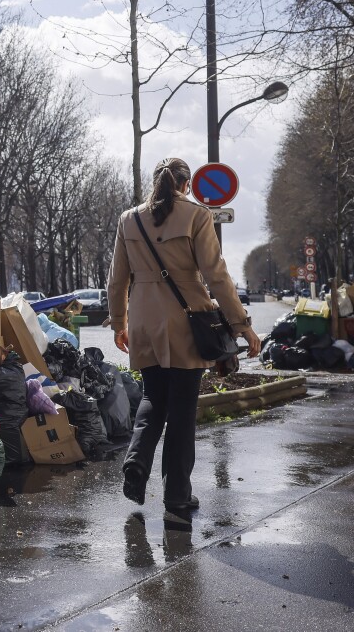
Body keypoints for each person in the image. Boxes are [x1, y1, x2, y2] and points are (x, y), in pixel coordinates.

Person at [107, 157, 260, 512]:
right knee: (182, 408)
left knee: (153, 396)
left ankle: (137, 460)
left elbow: (117, 278)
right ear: (186, 184)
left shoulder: (129, 219)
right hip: (186, 320)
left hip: (144, 319)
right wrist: (242, 325)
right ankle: (176, 493)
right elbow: (216, 276)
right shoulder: (197, 215)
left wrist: (119, 323)